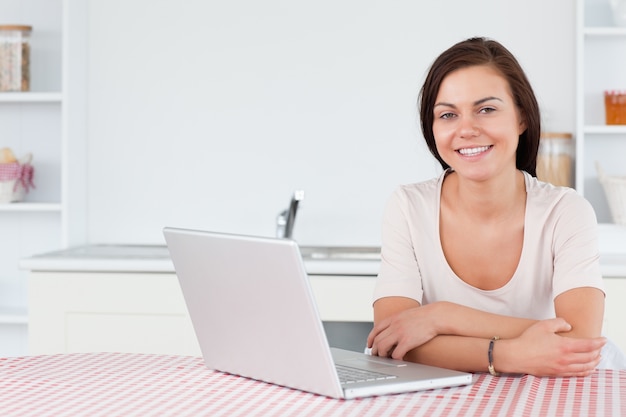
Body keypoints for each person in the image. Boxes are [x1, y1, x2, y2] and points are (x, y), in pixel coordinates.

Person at [366, 37, 619, 377]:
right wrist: (512, 355)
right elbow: (393, 340)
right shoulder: (409, 207)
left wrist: (443, 316)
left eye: (486, 109)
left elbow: (579, 341)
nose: (466, 129)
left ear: (522, 118)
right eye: (447, 114)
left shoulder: (565, 212)